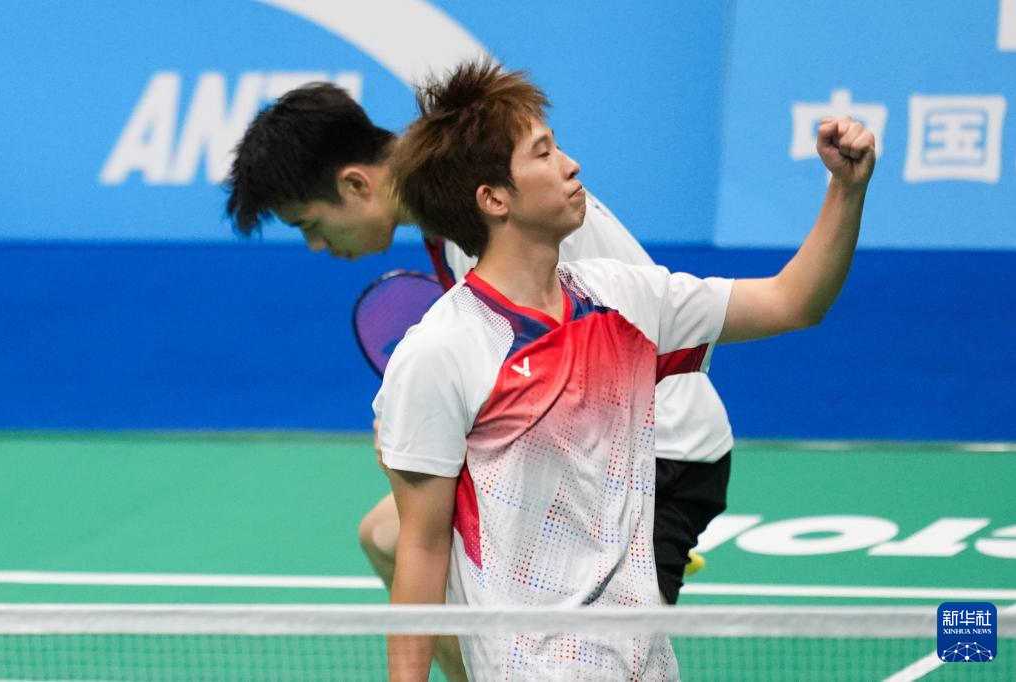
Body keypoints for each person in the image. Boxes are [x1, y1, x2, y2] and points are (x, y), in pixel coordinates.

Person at [377, 60, 874, 681]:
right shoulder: (443, 350)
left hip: (645, 662)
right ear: (494, 199)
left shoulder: (623, 299)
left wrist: (846, 189)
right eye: (543, 153)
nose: (570, 164)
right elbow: (422, 549)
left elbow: (792, 301)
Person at [225, 81, 731, 611]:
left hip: (656, 450)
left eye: (310, 224)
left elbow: (551, 391)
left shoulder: (485, 222)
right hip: (593, 432)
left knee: (551, 625)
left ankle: (630, 554)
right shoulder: (454, 204)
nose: (315, 245)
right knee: (387, 536)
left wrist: (423, 440)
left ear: (355, 184)